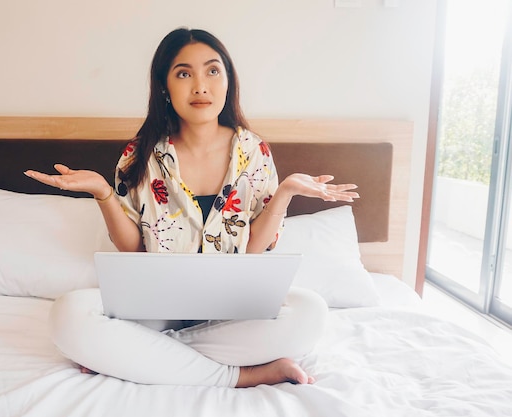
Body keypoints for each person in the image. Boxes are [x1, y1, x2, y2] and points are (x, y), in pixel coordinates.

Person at [24, 27, 359, 388]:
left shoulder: (255, 152)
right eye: (184, 73)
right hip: (151, 309)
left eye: (212, 71)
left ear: (228, 80)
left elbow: (252, 250)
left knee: (311, 313)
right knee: (68, 315)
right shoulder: (139, 154)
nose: (200, 85)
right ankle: (240, 375)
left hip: (231, 312)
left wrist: (286, 193)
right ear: (164, 87)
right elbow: (132, 248)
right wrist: (103, 193)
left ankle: (138, 356)